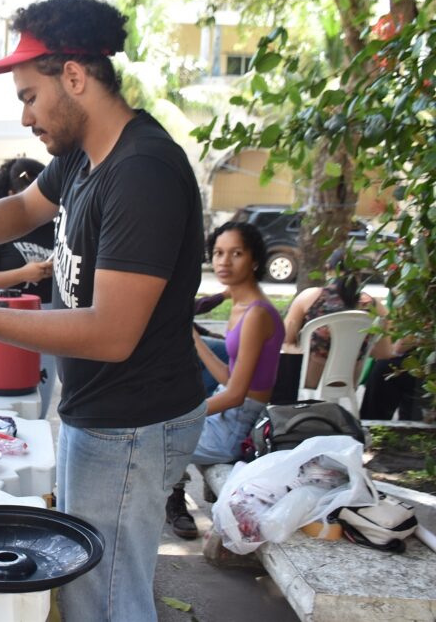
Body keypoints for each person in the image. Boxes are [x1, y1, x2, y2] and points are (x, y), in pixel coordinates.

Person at [0, 0, 205, 621]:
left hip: (132, 422)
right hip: (100, 414)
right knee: (90, 589)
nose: (26, 117)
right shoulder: (84, 155)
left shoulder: (142, 170)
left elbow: (111, 333)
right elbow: (24, 207)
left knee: (105, 600)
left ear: (74, 77)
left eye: (29, 95)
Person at [167, 222, 284, 539]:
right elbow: (229, 379)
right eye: (218, 253)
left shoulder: (257, 314)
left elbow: (235, 395)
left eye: (236, 253)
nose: (224, 262)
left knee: (155, 439)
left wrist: (179, 415)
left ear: (255, 260)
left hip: (236, 424)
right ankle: (171, 495)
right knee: (157, 421)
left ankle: (169, 501)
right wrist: (194, 339)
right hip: (228, 410)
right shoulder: (241, 304)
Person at [0, 157, 56, 413]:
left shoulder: (56, 226)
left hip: (50, 319)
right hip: (2, 318)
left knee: (37, 402)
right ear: (10, 196)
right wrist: (24, 273)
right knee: (4, 402)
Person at [282, 248, 394, 389]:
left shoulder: (310, 298)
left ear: (329, 269)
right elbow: (385, 353)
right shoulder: (374, 306)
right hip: (348, 382)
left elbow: (285, 338)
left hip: (310, 381)